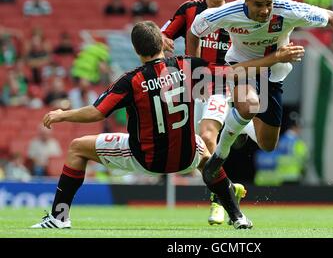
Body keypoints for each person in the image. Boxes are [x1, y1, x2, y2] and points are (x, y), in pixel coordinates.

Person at [31, 21, 302, 229]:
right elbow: (235, 71)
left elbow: (97, 112)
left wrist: (62, 115)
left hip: (146, 160)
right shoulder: (187, 66)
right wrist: (275, 59)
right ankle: (238, 215)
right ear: (162, 43)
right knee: (204, 152)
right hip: (185, 155)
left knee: (77, 148)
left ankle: (59, 217)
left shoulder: (131, 80)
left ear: (137, 51)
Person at [188, 0, 333, 183]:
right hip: (242, 67)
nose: (265, 10)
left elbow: (331, 16)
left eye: (268, 4)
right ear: (246, 1)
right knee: (249, 106)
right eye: (258, 5)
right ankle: (220, 156)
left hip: (274, 74)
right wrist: (196, 70)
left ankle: (238, 121)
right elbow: (195, 30)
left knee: (267, 144)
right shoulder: (229, 13)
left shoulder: (286, 9)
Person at [161, 0, 252, 225]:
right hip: (193, 84)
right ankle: (229, 188)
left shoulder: (238, 14)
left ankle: (218, 203)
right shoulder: (189, 10)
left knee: (208, 137)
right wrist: (163, 39)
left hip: (223, 83)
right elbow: (164, 34)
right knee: (195, 149)